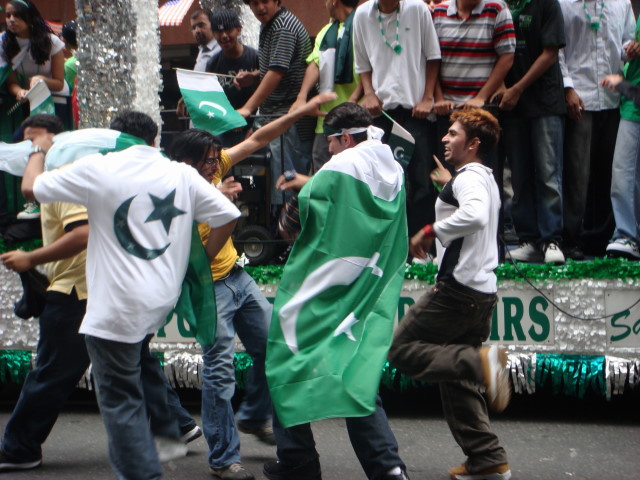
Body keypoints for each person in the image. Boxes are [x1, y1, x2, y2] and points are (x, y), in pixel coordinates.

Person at [20, 111, 241, 480]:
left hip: (114, 307)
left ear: (114, 138)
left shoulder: (98, 167)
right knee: (136, 371)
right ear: (153, 140)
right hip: (158, 302)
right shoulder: (180, 172)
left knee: (121, 402)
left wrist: (37, 150)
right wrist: (195, 261)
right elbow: (228, 214)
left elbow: (31, 189)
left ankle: (145, 471)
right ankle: (170, 431)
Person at [168, 93, 337, 480]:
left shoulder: (211, 171)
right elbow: (188, 253)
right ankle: (225, 460)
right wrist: (218, 202)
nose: (217, 165)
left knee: (275, 349)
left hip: (238, 279)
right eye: (209, 161)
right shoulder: (175, 190)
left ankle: (254, 415)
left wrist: (301, 112)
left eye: (216, 159)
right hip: (207, 291)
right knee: (219, 373)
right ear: (186, 163)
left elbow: (257, 141)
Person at [263, 102, 410, 480]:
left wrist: (305, 187)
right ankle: (388, 468)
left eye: (330, 142)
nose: (327, 150)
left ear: (345, 137)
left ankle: (297, 461)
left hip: (322, 294)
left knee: (284, 359)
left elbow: (292, 226)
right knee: (356, 374)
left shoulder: (336, 169)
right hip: (365, 292)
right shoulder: (393, 169)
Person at [388, 108, 512, 480]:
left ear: (473, 144)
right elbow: (469, 203)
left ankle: (481, 362)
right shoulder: (478, 176)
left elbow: (473, 215)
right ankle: (488, 458)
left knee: (401, 350)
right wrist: (449, 182)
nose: (445, 138)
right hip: (480, 292)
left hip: (458, 291)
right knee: (457, 383)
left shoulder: (469, 179)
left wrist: (430, 231)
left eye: (454, 134)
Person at [0, 114, 89, 473]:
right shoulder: (70, 174)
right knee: (134, 367)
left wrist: (30, 259)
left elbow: (81, 233)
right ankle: (174, 427)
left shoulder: (65, 175)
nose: (30, 152)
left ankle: (21, 448)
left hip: (77, 293)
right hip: (90, 289)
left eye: (35, 142)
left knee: (51, 372)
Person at [353, 0, 442, 237]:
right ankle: (390, 244)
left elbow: (433, 56)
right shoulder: (362, 15)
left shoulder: (417, 9)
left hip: (416, 111)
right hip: (380, 112)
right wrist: (369, 94)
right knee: (384, 181)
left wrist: (428, 97)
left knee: (422, 179)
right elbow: (362, 64)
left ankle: (422, 245)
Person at [558, 0, 636, 259]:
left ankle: (602, 238)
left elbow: (626, 44)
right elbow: (557, 50)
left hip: (613, 99)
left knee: (609, 174)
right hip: (580, 97)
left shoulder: (621, 3)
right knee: (577, 176)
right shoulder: (563, 3)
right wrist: (567, 87)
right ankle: (571, 238)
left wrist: (631, 48)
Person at [496, 0, 567, 264]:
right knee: (519, 175)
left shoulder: (547, 3)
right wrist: (504, 85)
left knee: (548, 174)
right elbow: (493, 50)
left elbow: (550, 53)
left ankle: (551, 240)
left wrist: (517, 88)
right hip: (512, 105)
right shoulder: (499, 4)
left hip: (544, 100)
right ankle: (527, 239)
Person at [237, 0, 314, 209]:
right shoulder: (270, 24)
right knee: (280, 183)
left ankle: (290, 236)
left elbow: (277, 72)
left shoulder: (283, 26)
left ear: (277, 1)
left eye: (265, 1)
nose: (260, 7)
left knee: (289, 185)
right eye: (254, 3)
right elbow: (274, 69)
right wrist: (253, 77)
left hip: (289, 118)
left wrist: (248, 108)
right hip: (279, 117)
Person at [2, 0, 66, 220]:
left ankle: (53, 200)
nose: (11, 20)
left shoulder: (52, 42)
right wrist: (18, 90)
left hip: (54, 105)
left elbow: (59, 82)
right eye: (8, 15)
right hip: (25, 106)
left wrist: (41, 80)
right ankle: (32, 200)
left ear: (30, 18)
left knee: (52, 148)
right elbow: (9, 82)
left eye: (17, 15)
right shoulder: (4, 44)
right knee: (24, 146)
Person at [289, 0, 362, 173]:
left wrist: (353, 102)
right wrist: (301, 98)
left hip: (357, 117)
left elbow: (372, 67)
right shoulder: (325, 32)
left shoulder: (363, 26)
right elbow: (315, 65)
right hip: (326, 120)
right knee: (323, 170)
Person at [431, 0, 515, 114]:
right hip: (446, 107)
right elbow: (431, 58)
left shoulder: (496, 9)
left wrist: (481, 97)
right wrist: (439, 98)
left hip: (483, 107)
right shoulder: (439, 12)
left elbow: (507, 56)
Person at [601, 28, 640, 259]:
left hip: (634, 104)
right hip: (631, 104)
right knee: (628, 175)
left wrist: (623, 85)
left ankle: (627, 234)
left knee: (624, 173)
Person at [205, 9, 259, 147]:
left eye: (228, 30)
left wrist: (257, 127)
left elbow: (267, 95)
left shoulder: (255, 58)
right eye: (218, 32)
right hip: (224, 129)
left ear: (238, 30)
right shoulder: (212, 64)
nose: (224, 36)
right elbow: (211, 100)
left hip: (254, 129)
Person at [176, 9, 221, 118]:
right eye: (194, 27)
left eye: (201, 25)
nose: (197, 30)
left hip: (214, 116)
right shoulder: (202, 50)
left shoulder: (221, 50)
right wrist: (184, 100)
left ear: (213, 25)